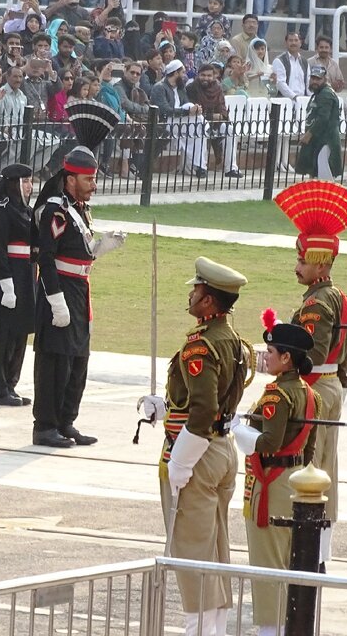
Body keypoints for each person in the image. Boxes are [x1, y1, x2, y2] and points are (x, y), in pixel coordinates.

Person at [141, 257, 251, 636]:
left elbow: (203, 411)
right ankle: (214, 628)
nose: (190, 294)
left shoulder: (200, 347)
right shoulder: (233, 339)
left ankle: (200, 629)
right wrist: (167, 405)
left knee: (190, 552)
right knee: (215, 547)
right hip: (222, 449)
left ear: (209, 302)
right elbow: (209, 402)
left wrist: (181, 463)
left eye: (197, 290)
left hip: (198, 454)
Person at [276, 179, 347, 568]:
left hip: (314, 389)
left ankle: (312, 553)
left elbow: (309, 356)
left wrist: (284, 349)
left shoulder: (316, 304)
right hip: (332, 387)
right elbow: (344, 359)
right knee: (327, 465)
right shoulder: (344, 299)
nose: (296, 266)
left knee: (310, 467)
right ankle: (321, 551)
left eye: (301, 259)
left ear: (320, 261)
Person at [31, 136, 126, 449]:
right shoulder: (56, 211)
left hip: (80, 291)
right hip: (59, 291)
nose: (93, 184)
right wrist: (56, 303)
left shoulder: (79, 210)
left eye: (95, 178)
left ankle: (65, 421)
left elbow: (80, 252)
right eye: (88, 179)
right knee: (55, 361)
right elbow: (46, 257)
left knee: (77, 360)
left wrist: (102, 247)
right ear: (70, 179)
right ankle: (45, 426)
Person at [231, 314, 319, 636]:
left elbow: (268, 444)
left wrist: (238, 428)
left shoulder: (275, 396)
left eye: (271, 352)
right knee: (288, 563)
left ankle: (271, 630)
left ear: (286, 358)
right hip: (296, 483)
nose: (266, 356)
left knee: (268, 567)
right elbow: (309, 450)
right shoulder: (311, 396)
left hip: (273, 484)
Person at [0, 164, 36, 406]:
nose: (29, 186)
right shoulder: (2, 212)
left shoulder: (27, 211)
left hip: (26, 274)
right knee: (3, 335)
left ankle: (11, 384)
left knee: (20, 333)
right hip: (9, 276)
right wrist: (7, 285)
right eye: (25, 181)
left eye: (30, 181)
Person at [295, 66, 342, 179]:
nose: (315, 81)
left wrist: (309, 134)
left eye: (318, 79)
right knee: (314, 173)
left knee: (324, 175)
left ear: (324, 79)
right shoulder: (318, 93)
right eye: (313, 78)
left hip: (325, 140)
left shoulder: (326, 94)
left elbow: (323, 118)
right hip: (317, 139)